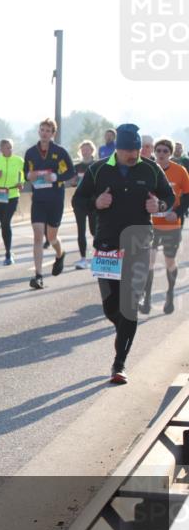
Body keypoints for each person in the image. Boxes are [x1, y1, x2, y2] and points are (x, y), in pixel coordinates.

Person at [73, 123, 174, 383]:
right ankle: (124, 327)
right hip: (107, 246)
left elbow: (168, 198)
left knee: (129, 308)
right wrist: (96, 203)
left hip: (139, 245)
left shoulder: (150, 169)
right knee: (110, 308)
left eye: (137, 149)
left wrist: (158, 205)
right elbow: (78, 201)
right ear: (117, 149)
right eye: (129, 150)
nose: (134, 155)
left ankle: (119, 364)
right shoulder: (97, 170)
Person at [24, 118, 75, 289]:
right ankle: (38, 276)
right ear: (39, 132)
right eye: (42, 130)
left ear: (53, 134)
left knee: (51, 236)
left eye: (48, 130)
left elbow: (71, 172)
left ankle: (60, 254)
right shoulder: (31, 152)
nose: (44, 133)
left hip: (55, 199)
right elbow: (26, 171)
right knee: (38, 236)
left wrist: (56, 177)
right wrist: (28, 176)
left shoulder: (59, 152)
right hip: (38, 199)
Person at [140, 138, 189, 315]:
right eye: (158, 150)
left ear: (170, 153)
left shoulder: (180, 171)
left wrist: (177, 212)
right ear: (154, 151)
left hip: (171, 225)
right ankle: (147, 299)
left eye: (165, 151)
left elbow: (187, 195)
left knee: (170, 262)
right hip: (151, 224)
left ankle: (170, 293)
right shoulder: (148, 170)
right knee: (149, 262)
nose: (161, 154)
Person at [0, 139, 25, 265]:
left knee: (5, 222)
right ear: (1, 149)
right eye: (7, 148)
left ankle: (8, 253)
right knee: (0, 221)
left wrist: (22, 183)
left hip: (12, 194)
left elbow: (24, 174)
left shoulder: (19, 160)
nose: (9, 150)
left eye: (11, 147)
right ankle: (8, 249)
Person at [72, 140, 98, 270]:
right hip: (79, 202)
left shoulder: (97, 165)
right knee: (80, 231)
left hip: (93, 202)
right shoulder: (77, 167)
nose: (85, 151)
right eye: (83, 149)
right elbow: (72, 183)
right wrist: (73, 179)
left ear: (92, 151)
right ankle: (83, 259)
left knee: (94, 230)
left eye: (87, 149)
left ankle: (97, 255)